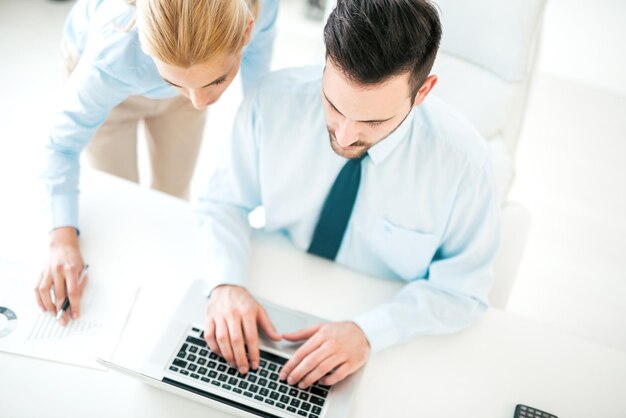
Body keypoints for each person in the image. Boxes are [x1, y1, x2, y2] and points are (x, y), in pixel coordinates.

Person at [197, 0, 500, 388]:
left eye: (373, 121)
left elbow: (464, 288)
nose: (343, 136)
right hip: (278, 290)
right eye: (334, 105)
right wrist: (225, 284)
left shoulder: (464, 167)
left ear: (423, 91)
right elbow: (223, 202)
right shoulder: (271, 102)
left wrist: (370, 332)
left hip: (386, 344)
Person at [36, 0, 279, 325]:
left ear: (247, 27)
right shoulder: (112, 51)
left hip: (180, 72)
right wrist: (61, 241)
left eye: (218, 81)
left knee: (173, 189)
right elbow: (61, 145)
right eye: (176, 83)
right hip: (115, 88)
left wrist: (261, 133)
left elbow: (256, 79)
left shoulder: (262, 8)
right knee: (123, 202)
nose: (200, 103)